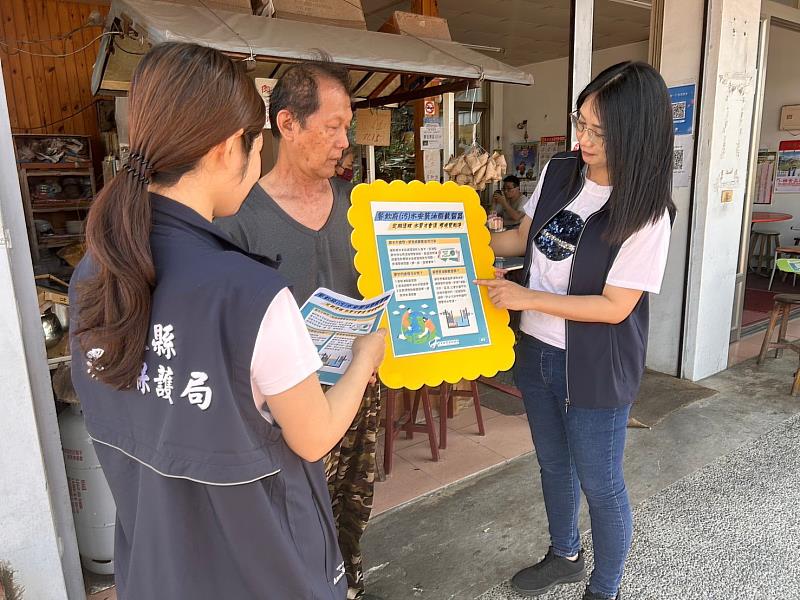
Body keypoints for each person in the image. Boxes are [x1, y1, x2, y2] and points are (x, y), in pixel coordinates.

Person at [69, 42, 384, 600]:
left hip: (157, 567)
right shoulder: (252, 292)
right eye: (253, 144)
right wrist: (365, 357)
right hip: (265, 573)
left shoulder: (96, 271)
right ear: (224, 149)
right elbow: (313, 439)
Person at [477, 61, 675, 600]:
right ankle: (564, 554)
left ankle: (604, 587)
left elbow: (615, 307)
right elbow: (522, 239)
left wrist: (524, 297)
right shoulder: (561, 170)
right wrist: (460, 240)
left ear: (635, 134)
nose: (582, 138)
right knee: (552, 464)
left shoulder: (648, 211)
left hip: (594, 367)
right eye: (580, 122)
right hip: (537, 348)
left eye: (597, 131)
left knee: (602, 485)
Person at [216, 60, 379, 600]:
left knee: (353, 508)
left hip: (357, 392)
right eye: (331, 127)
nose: (343, 141)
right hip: (283, 413)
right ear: (287, 124)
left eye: (347, 127)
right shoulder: (240, 217)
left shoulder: (359, 208)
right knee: (291, 526)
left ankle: (348, 582)